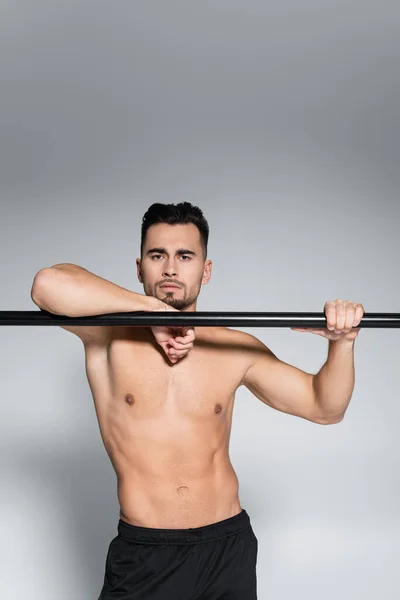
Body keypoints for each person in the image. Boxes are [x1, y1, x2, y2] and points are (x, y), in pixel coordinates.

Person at [30, 202, 364, 599]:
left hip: (226, 550)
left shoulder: (233, 347)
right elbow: (47, 284)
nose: (171, 268)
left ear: (205, 270)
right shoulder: (106, 337)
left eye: (185, 256)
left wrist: (343, 344)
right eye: (158, 255)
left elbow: (325, 407)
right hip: (144, 555)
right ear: (140, 268)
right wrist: (151, 311)